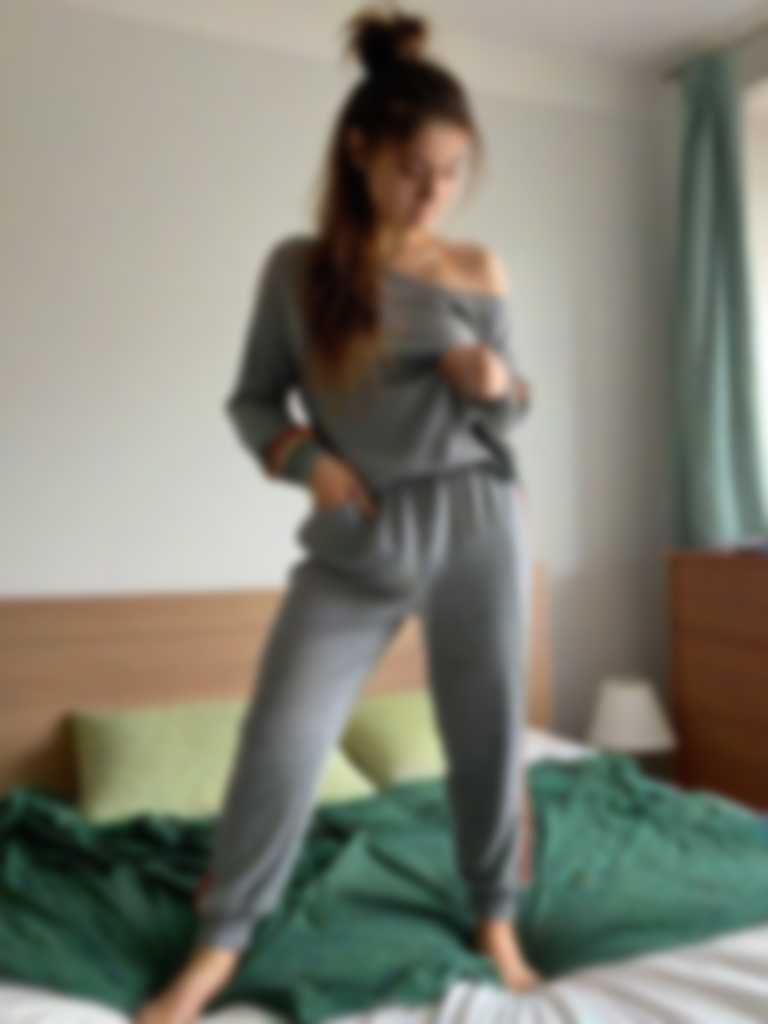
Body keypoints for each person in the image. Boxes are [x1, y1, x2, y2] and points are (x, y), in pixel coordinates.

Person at [134, 6, 539, 1022]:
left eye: (452, 171)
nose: (434, 192)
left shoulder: (478, 270)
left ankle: (496, 914)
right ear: (359, 151)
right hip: (359, 533)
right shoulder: (299, 271)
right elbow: (253, 403)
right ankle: (220, 942)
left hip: (477, 519)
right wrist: (308, 462)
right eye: (414, 170)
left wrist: (496, 383)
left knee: (488, 729)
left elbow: (512, 410)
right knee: (284, 732)